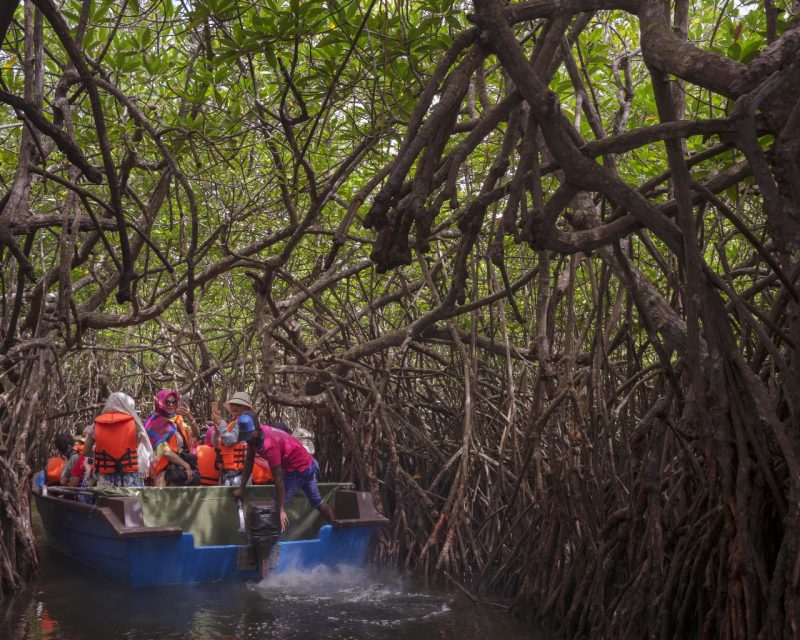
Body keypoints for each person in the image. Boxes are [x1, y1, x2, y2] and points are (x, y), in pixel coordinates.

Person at [234, 424, 334, 531]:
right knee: (317, 501)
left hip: (297, 469)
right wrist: (241, 488)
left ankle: (271, 543)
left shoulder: (269, 446)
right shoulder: (254, 435)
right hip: (307, 463)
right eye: (245, 436)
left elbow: (279, 478)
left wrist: (281, 509)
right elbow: (249, 461)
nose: (247, 439)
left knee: (274, 509)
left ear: (257, 431)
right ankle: (336, 525)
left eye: (249, 436)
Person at [83, 392, 152, 487]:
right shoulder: (135, 425)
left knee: (107, 501)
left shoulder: (95, 425)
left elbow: (85, 452)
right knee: (132, 502)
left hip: (105, 479)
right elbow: (137, 450)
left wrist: (103, 457)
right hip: (129, 477)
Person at [145, 389, 198, 486]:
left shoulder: (177, 420)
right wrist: (186, 465)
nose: (171, 405)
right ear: (160, 403)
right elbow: (165, 451)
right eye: (167, 402)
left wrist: (190, 417)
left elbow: (195, 435)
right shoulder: (155, 423)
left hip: (179, 471)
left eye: (174, 402)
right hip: (162, 474)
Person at [210, 392, 258, 486]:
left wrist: (220, 424)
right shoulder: (231, 422)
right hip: (227, 470)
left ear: (246, 408)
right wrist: (217, 431)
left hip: (239, 472)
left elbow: (229, 441)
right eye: (232, 404)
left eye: (239, 405)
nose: (234, 407)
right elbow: (215, 443)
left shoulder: (244, 422)